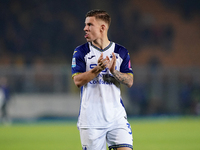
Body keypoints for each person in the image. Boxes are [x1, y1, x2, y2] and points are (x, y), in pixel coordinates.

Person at [71, 9, 134, 150]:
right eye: (85, 24)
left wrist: (113, 71)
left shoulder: (121, 52)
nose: (85, 28)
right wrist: (97, 69)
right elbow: (78, 81)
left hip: (116, 119)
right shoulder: (81, 51)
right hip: (91, 121)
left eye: (89, 25)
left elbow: (129, 81)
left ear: (102, 28)